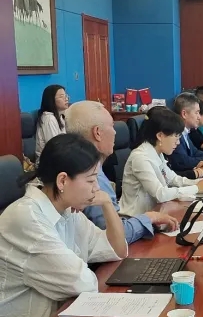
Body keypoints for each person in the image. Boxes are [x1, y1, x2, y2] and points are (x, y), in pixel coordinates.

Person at [0, 134, 128, 317]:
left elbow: (116, 251)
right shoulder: (27, 218)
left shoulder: (66, 209)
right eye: (90, 180)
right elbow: (82, 283)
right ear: (62, 181)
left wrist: (107, 205)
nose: (96, 187)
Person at [65, 101, 179, 243]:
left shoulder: (86, 167)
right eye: (112, 126)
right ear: (97, 133)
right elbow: (115, 235)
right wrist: (149, 218)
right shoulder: (91, 177)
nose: (115, 132)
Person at [119, 106, 203, 216]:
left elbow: (173, 179)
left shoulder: (157, 152)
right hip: (135, 218)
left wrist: (200, 183)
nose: (178, 142)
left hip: (155, 214)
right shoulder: (141, 157)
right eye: (176, 137)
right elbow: (160, 194)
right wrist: (196, 188)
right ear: (160, 136)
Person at [168, 93, 203, 173]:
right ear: (184, 114)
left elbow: (195, 152)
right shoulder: (175, 133)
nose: (199, 117)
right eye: (196, 112)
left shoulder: (186, 132)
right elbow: (183, 161)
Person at [35, 85, 69, 162]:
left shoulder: (60, 116)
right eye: (61, 97)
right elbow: (55, 147)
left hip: (59, 157)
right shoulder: (49, 118)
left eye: (66, 96)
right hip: (48, 162)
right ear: (51, 100)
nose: (66, 99)